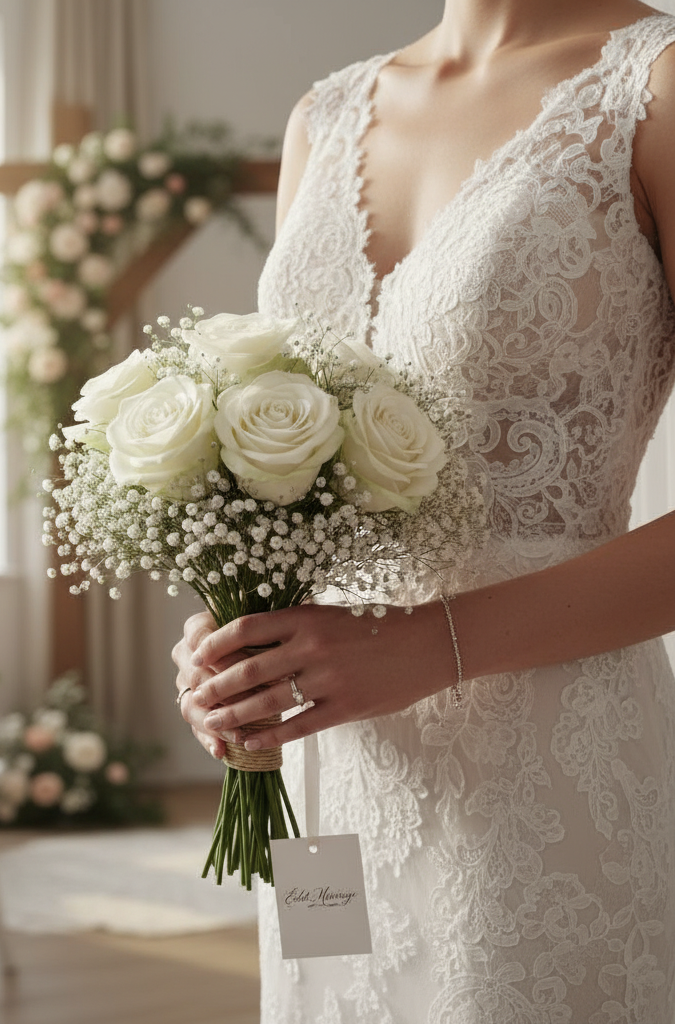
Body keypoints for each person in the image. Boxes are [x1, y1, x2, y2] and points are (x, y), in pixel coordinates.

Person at [172, 3, 675, 1020]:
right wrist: (237, 640)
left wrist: (427, 644)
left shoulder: (651, 90)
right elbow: (299, 466)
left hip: (543, 768)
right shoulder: (326, 111)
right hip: (331, 767)